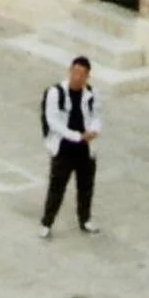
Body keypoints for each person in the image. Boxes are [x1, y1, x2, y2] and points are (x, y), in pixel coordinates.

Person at [39, 55, 101, 239]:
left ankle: (85, 219)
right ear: (70, 71)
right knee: (57, 187)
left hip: (85, 148)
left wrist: (94, 130)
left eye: (82, 74)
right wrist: (77, 136)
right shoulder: (55, 93)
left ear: (87, 76)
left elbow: (97, 115)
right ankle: (46, 222)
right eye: (75, 72)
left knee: (86, 186)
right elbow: (53, 121)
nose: (78, 77)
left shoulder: (92, 93)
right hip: (64, 147)